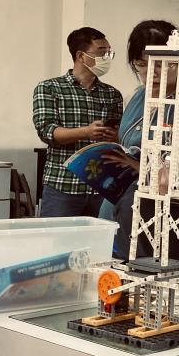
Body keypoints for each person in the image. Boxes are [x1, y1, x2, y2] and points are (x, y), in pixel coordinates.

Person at [100, 20, 179, 260]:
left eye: (161, 64)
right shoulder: (136, 97)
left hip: (158, 215)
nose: (152, 72)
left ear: (178, 63)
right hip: (118, 205)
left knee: (145, 271)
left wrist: (136, 166)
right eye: (142, 64)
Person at [33, 27, 123, 217]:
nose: (106, 58)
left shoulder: (112, 94)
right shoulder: (49, 88)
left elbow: (119, 135)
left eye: (109, 53)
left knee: (102, 236)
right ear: (81, 56)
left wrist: (115, 136)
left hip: (102, 186)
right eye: (101, 52)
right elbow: (47, 132)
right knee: (58, 236)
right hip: (63, 185)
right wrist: (87, 132)